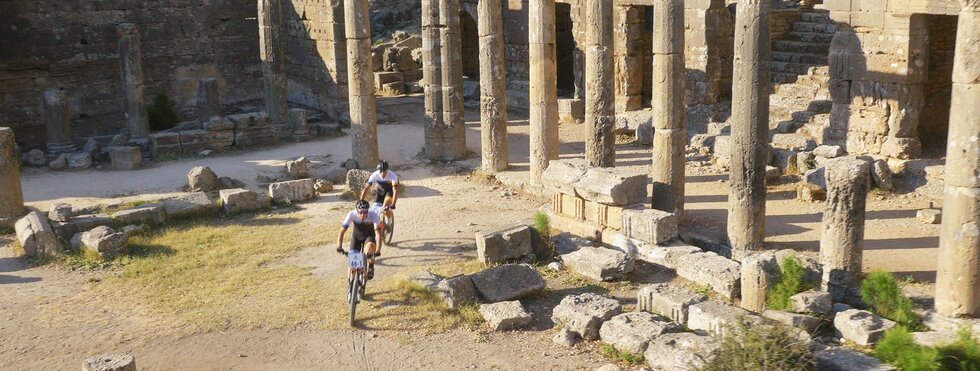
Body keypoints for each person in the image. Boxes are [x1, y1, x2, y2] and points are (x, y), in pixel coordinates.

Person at [336, 200, 383, 279]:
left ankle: (371, 264)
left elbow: (378, 234)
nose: (362, 214)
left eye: (365, 212)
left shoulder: (373, 215)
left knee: (369, 250)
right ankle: (350, 285)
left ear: (368, 210)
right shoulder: (351, 214)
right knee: (352, 264)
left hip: (369, 236)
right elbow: (342, 232)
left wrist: (378, 250)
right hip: (356, 237)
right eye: (360, 212)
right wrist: (339, 246)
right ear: (356, 210)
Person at [360, 160, 399, 255]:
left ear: (387, 170)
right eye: (381, 171)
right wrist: (361, 201)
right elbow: (366, 188)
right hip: (379, 194)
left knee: (386, 206)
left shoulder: (392, 176)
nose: (382, 173)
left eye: (384, 171)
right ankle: (379, 225)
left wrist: (393, 203)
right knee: (374, 211)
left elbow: (395, 191)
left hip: (389, 194)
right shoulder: (375, 175)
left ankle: (388, 222)